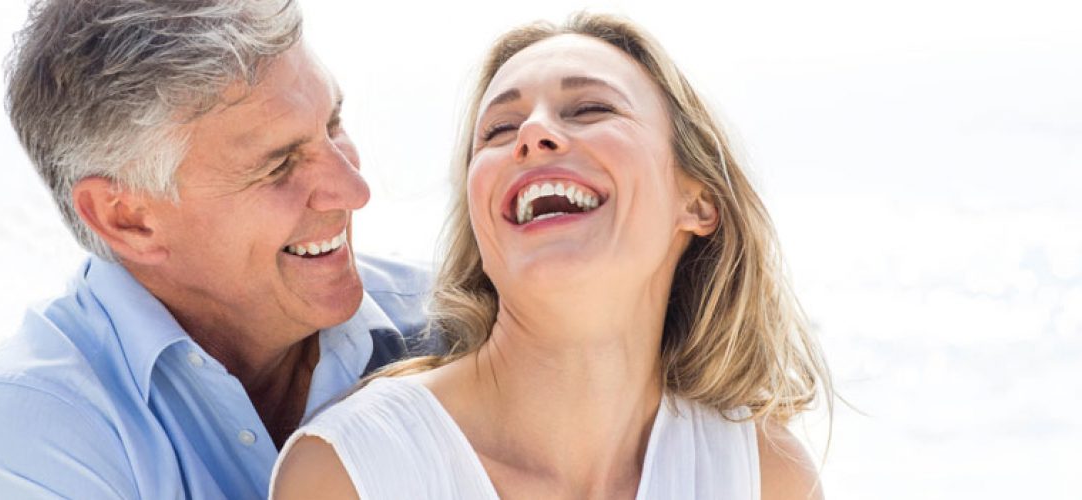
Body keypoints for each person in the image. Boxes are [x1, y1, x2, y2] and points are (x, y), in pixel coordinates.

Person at [272, 12, 831, 500]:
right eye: (499, 129)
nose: (534, 133)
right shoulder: (352, 473)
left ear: (699, 201)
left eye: (589, 108)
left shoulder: (765, 477)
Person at [0, 1, 438, 498]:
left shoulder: (464, 323)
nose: (354, 190)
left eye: (333, 125)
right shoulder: (25, 438)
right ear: (128, 219)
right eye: (279, 165)